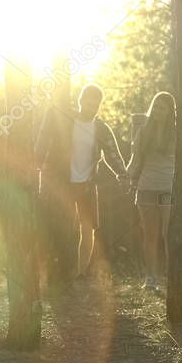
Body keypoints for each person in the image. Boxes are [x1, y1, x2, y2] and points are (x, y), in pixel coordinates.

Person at [36, 84, 129, 282]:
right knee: (65, 226)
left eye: (96, 102)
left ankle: (80, 273)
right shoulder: (65, 120)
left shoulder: (101, 128)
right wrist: (38, 163)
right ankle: (59, 270)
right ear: (81, 101)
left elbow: (113, 154)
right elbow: (44, 139)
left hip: (87, 184)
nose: (92, 105)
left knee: (88, 229)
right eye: (89, 100)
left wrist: (124, 175)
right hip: (63, 182)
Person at [127, 91, 176, 292]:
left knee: (169, 233)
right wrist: (126, 175)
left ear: (170, 112)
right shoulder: (143, 132)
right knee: (150, 235)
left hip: (168, 188)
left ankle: (173, 275)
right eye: (155, 106)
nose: (157, 111)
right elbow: (135, 161)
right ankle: (151, 277)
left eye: (162, 108)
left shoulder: (176, 133)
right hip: (146, 188)